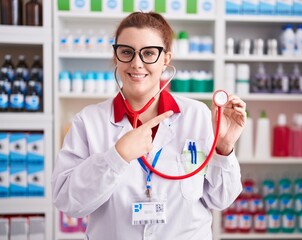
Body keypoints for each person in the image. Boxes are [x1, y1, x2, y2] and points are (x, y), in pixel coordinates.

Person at [52, 11, 246, 240]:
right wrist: (117, 156)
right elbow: (67, 201)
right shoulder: (89, 122)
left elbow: (221, 200)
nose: (137, 63)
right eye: (126, 52)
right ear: (115, 57)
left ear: (166, 59)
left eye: (149, 53)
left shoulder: (196, 115)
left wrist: (224, 148)